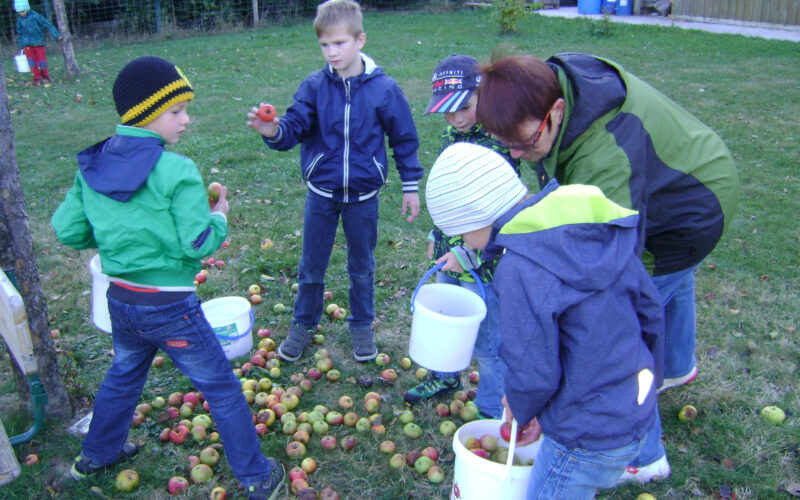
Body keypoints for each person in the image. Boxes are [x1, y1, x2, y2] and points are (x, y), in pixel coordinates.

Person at [475, 53, 739, 481]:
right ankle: (676, 362)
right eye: (506, 143)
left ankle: (646, 456)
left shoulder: (603, 159)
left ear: (557, 111)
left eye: (524, 143)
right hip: (696, 170)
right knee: (669, 285)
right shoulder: (551, 87)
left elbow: (609, 265)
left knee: (619, 325)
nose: (517, 155)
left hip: (692, 211)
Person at [52, 56, 284, 500]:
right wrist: (219, 217)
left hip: (120, 301)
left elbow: (68, 230)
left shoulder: (93, 167)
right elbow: (196, 243)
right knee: (221, 388)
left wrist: (111, 231)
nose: (186, 119)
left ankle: (96, 456)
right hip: (169, 309)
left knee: (122, 377)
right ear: (146, 112)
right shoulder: (175, 170)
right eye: (176, 111)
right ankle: (257, 477)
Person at [426, 142, 667, 500]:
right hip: (633, 412)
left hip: (582, 433)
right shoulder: (592, 229)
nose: (467, 244)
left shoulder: (520, 269)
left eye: (462, 233)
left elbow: (531, 365)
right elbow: (651, 311)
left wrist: (520, 410)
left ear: (477, 218)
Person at [247, 0, 422, 363]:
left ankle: (361, 323)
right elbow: (292, 128)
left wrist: (410, 186)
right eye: (325, 45)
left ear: (360, 40)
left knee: (362, 264)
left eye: (339, 43)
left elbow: (403, 139)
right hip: (321, 194)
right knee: (312, 265)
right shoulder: (314, 87)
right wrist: (273, 131)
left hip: (363, 196)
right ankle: (303, 322)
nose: (332, 52)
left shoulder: (384, 89)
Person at [403, 54, 518, 419]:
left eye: (464, 108)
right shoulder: (455, 134)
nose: (455, 118)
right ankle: (445, 375)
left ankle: (490, 410)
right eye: (447, 112)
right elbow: (454, 195)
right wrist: (439, 238)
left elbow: (495, 217)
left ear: (484, 95)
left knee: (486, 340)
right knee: (445, 315)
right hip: (451, 250)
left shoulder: (500, 144)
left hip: (484, 259)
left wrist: (466, 252)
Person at [14, 0, 62, 87]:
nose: (22, 13)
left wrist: (56, 34)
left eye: (23, 11)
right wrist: (21, 45)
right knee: (31, 62)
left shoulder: (35, 16)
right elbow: (19, 33)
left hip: (38, 43)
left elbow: (47, 24)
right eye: (19, 12)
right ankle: (37, 77)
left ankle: (45, 75)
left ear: (27, 8)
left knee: (42, 60)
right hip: (27, 46)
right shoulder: (19, 20)